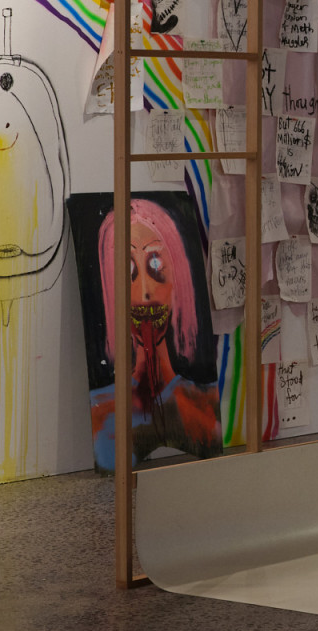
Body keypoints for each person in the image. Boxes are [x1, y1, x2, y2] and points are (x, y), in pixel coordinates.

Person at [90, 199, 220, 467]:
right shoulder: (100, 411)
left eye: (157, 266)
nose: (145, 292)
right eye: (127, 272)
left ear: (177, 280)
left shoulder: (205, 408)